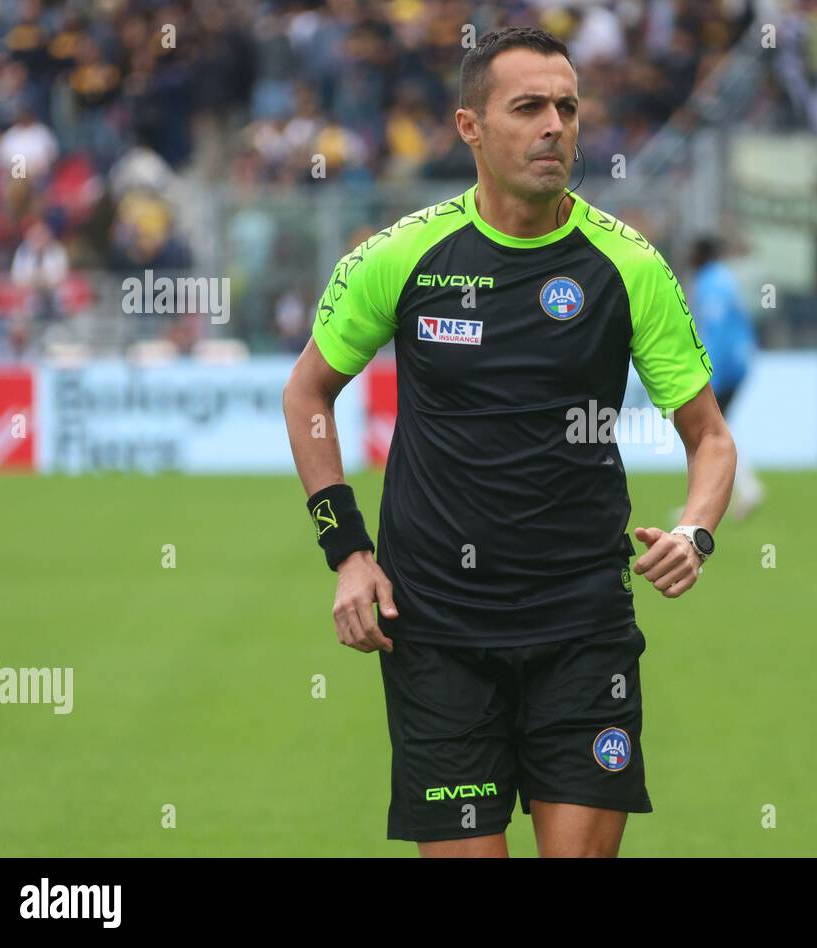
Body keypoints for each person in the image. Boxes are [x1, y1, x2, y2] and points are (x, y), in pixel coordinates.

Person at [282, 27, 736, 859]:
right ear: (470, 128)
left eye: (567, 107)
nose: (554, 126)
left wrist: (695, 531)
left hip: (583, 624)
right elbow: (308, 392)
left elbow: (709, 438)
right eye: (528, 107)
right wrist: (346, 550)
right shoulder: (402, 256)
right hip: (437, 631)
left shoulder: (628, 265)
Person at [690, 234, 764, 518]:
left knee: (708, 432)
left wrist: (711, 376)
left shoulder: (711, 283)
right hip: (740, 361)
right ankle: (742, 488)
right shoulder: (722, 277)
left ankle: (734, 491)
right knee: (717, 430)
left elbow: (718, 332)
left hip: (727, 367)